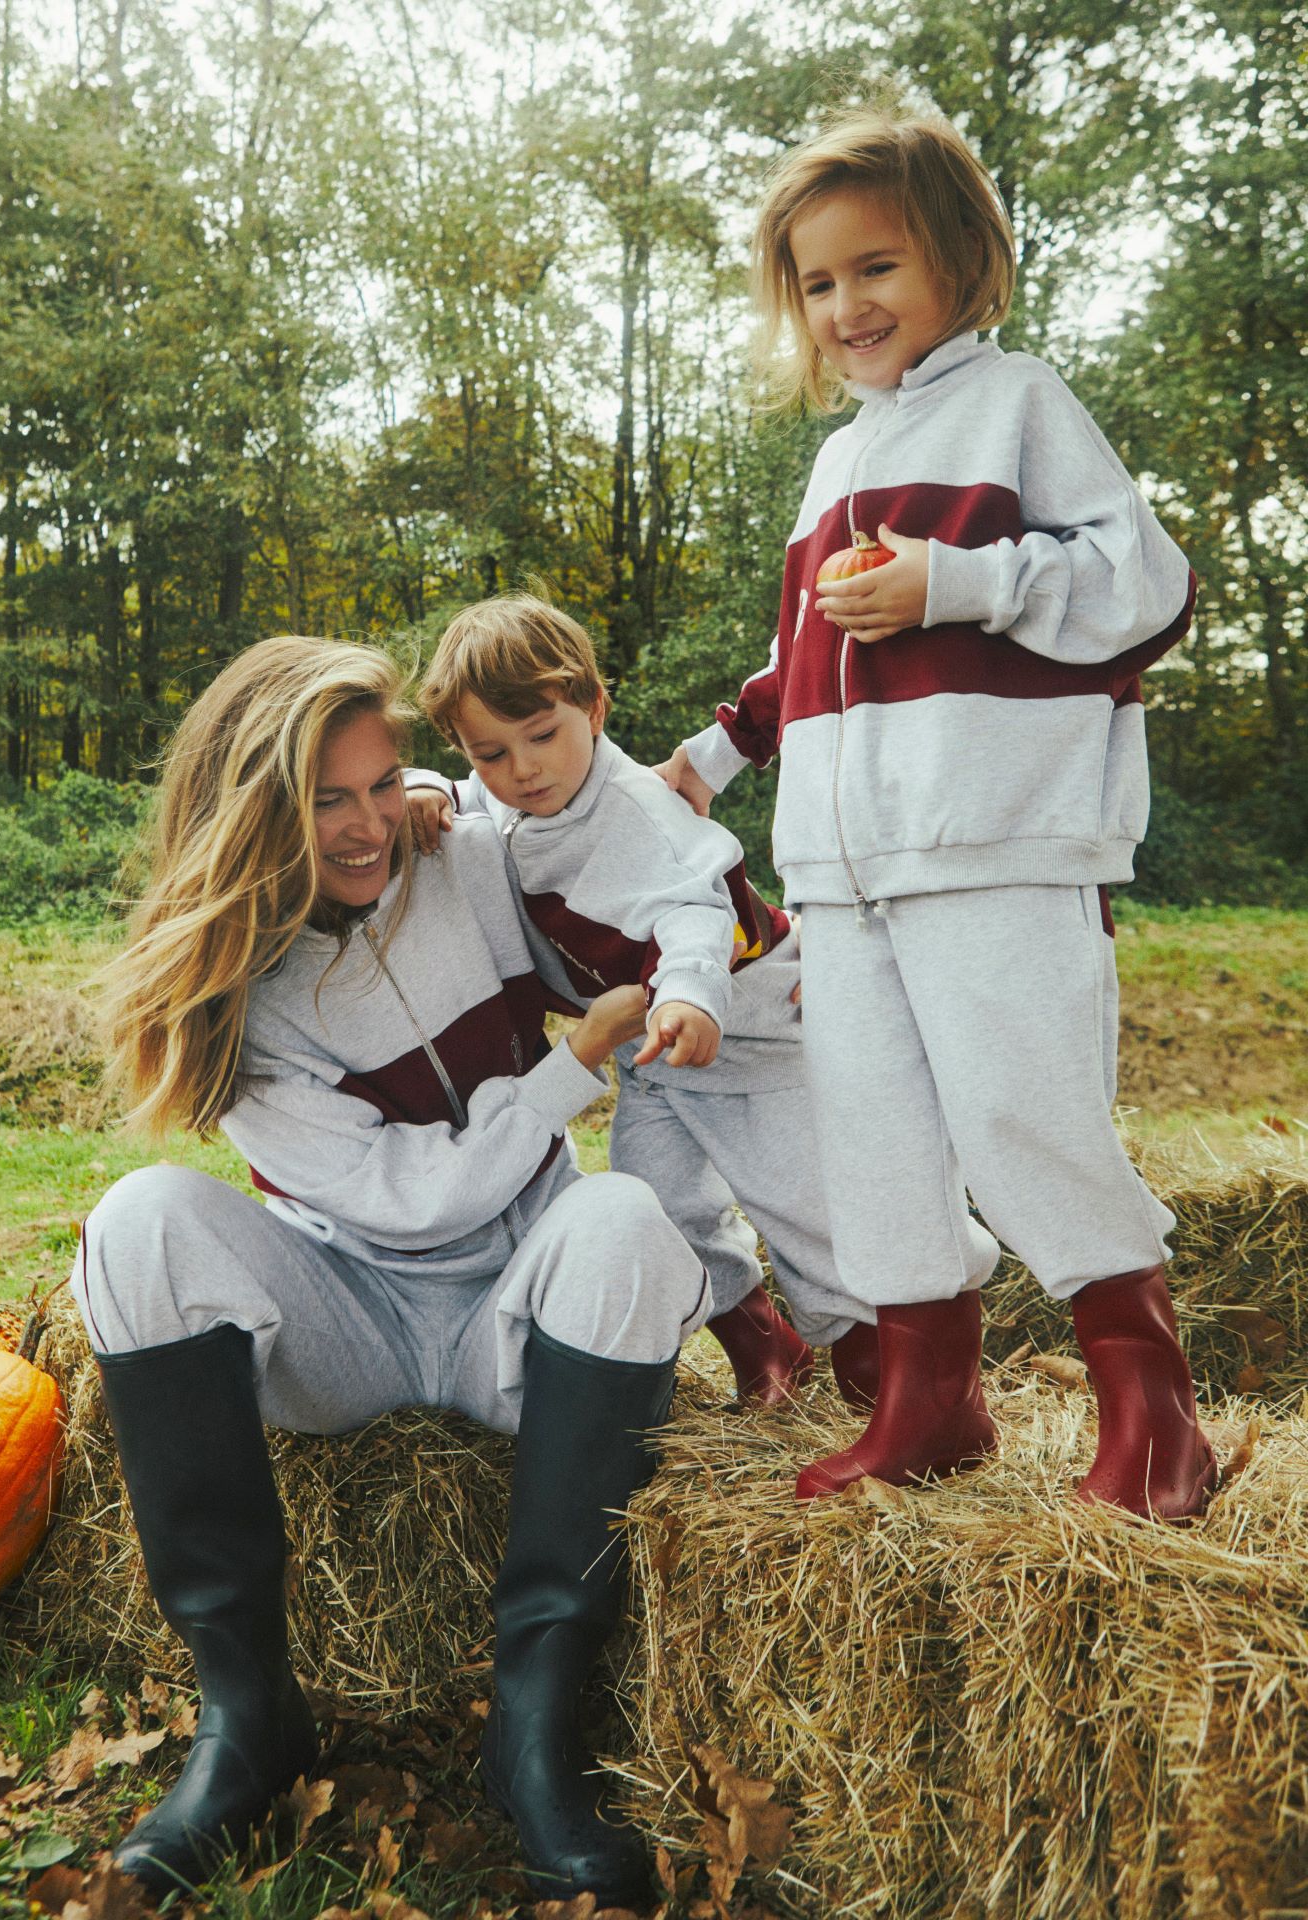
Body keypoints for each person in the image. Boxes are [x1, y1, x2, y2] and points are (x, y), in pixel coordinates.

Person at [71, 636, 711, 1904]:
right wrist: (566, 1067)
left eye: (383, 782)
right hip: (348, 1313)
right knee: (140, 1223)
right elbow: (408, 1202)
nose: (368, 827)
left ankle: (531, 1736)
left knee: (630, 1222)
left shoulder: (459, 845)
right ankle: (246, 1721)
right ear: (254, 812)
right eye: (325, 800)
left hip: (516, 1311)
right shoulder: (232, 997)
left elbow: (577, 807)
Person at [655, 107, 1217, 1520]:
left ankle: (1152, 1413)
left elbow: (1145, 587)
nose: (847, 306)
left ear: (962, 259)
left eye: (877, 268)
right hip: (842, 872)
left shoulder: (1019, 402)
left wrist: (955, 583)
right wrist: (706, 767)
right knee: (875, 1135)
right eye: (820, 283)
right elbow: (803, 659)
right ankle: (932, 1398)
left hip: (994, 845)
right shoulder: (839, 459)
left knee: (1025, 1110)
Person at [408, 594, 880, 1410]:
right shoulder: (503, 797)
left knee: (801, 1203)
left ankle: (881, 1371)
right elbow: (456, 790)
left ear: (594, 708)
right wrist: (423, 788)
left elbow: (696, 909)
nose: (523, 769)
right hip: (655, 1056)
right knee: (658, 1206)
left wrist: (691, 997)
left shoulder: (638, 814)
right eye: (490, 752)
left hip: (747, 1031)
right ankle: (765, 1345)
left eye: (544, 736)